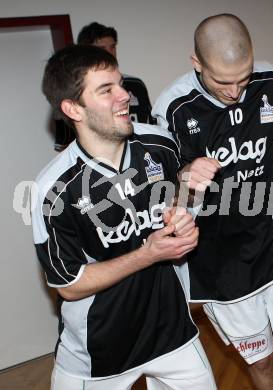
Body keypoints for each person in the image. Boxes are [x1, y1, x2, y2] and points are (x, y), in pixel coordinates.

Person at [152, 13, 273, 390]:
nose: (236, 91)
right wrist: (186, 174)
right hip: (217, 261)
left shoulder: (270, 82)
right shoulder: (173, 108)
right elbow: (162, 192)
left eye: (243, 78)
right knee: (263, 361)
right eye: (222, 81)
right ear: (196, 63)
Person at [31, 44, 216, 390]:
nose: (125, 96)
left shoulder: (161, 145)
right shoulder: (53, 189)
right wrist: (148, 254)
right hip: (99, 354)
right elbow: (68, 285)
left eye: (121, 84)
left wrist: (183, 213)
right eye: (107, 90)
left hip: (172, 333)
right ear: (73, 108)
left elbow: (177, 201)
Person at [55, 22, 155, 151]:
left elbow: (151, 125)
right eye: (102, 48)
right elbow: (64, 147)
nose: (110, 53)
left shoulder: (136, 85)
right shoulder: (72, 96)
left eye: (112, 47)